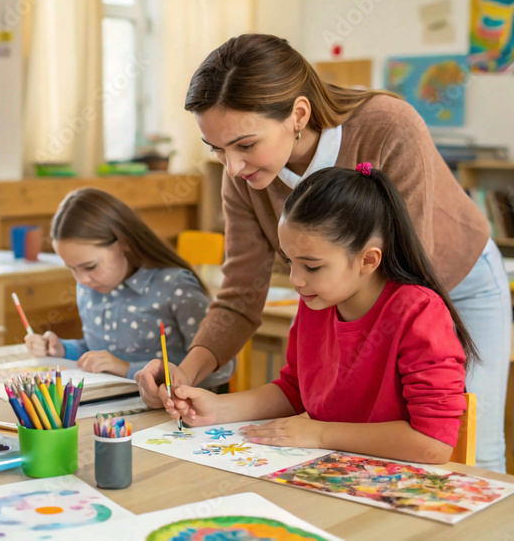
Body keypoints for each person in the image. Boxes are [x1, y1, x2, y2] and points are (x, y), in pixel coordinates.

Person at [135, 33, 511, 472]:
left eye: (245, 145)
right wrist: (187, 371)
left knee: (475, 449)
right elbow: (241, 293)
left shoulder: (390, 127)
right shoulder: (312, 276)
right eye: (217, 149)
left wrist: (324, 424)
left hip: (449, 277)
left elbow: (408, 279)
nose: (232, 167)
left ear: (298, 114)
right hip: (342, 294)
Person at [168, 165, 473, 464]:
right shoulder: (317, 300)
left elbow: (434, 443)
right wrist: (218, 408)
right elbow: (295, 391)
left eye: (311, 266)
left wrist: (321, 434)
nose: (295, 280)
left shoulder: (418, 312)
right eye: (289, 261)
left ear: (368, 260)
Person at [25, 188, 234, 386]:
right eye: (72, 268)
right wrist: (62, 349)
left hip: (173, 416)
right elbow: (99, 351)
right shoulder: (90, 288)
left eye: (89, 266)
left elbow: (221, 370)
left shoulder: (175, 287)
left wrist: (127, 368)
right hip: (109, 412)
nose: (81, 280)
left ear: (124, 242)